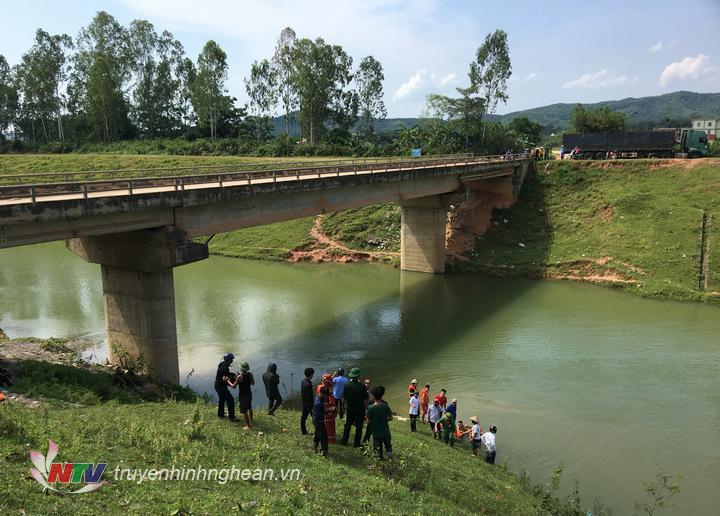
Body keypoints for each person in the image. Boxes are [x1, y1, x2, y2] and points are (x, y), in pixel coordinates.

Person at [340, 367, 368, 447]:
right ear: (358, 376)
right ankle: (356, 443)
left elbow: (344, 398)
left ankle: (344, 441)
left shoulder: (347, 385)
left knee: (348, 424)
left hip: (350, 408)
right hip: (360, 409)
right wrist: (366, 409)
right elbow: (365, 400)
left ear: (351, 376)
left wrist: (343, 406)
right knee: (359, 426)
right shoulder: (362, 386)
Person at [366, 386, 393, 459]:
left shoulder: (370, 408)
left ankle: (376, 466)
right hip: (386, 432)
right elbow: (391, 417)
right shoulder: (385, 405)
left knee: (376, 450)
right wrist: (384, 420)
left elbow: (368, 421)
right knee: (388, 448)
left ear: (373, 396)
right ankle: (391, 462)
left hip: (376, 432)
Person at [228, 361, 254, 429]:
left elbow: (233, 386)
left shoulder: (239, 377)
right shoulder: (250, 374)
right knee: (250, 408)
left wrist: (227, 380)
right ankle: (251, 422)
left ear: (241, 368)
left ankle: (248, 426)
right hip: (249, 394)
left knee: (244, 411)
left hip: (243, 396)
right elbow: (253, 383)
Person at [215, 353, 237, 421]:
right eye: (232, 359)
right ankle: (232, 417)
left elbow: (225, 375)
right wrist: (234, 381)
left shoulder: (222, 364)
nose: (232, 360)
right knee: (230, 400)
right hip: (221, 387)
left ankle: (220, 414)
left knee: (222, 400)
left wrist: (232, 375)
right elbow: (225, 380)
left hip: (217, 385)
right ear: (230, 360)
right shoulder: (225, 368)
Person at [317, 373, 337, 444]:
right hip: (328, 410)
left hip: (321, 412)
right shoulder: (328, 391)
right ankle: (330, 439)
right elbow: (332, 401)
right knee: (329, 426)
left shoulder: (319, 387)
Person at [313, 386, 329, 456]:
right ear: (323, 394)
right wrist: (328, 411)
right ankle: (324, 451)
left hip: (315, 420)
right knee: (324, 437)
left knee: (317, 434)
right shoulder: (319, 403)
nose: (326, 397)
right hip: (319, 422)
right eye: (326, 395)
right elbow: (321, 413)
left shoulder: (317, 398)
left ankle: (315, 447)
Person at [300, 367, 315, 435]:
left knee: (303, 418)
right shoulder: (308, 384)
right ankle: (318, 432)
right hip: (309, 404)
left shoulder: (303, 381)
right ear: (311, 375)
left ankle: (303, 431)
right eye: (312, 374)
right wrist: (312, 405)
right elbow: (309, 396)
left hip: (304, 403)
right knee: (315, 418)